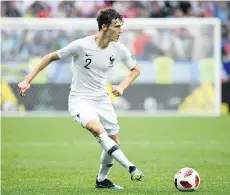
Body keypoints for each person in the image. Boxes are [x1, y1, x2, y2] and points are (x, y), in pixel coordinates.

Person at [18, 8, 144, 190]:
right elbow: (50, 57)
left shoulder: (119, 50)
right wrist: (27, 80)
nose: (121, 30)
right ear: (104, 27)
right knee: (96, 128)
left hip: (102, 100)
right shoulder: (82, 45)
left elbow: (136, 69)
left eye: (121, 26)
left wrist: (122, 87)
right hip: (80, 100)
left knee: (114, 142)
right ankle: (131, 167)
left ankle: (102, 180)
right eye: (117, 26)